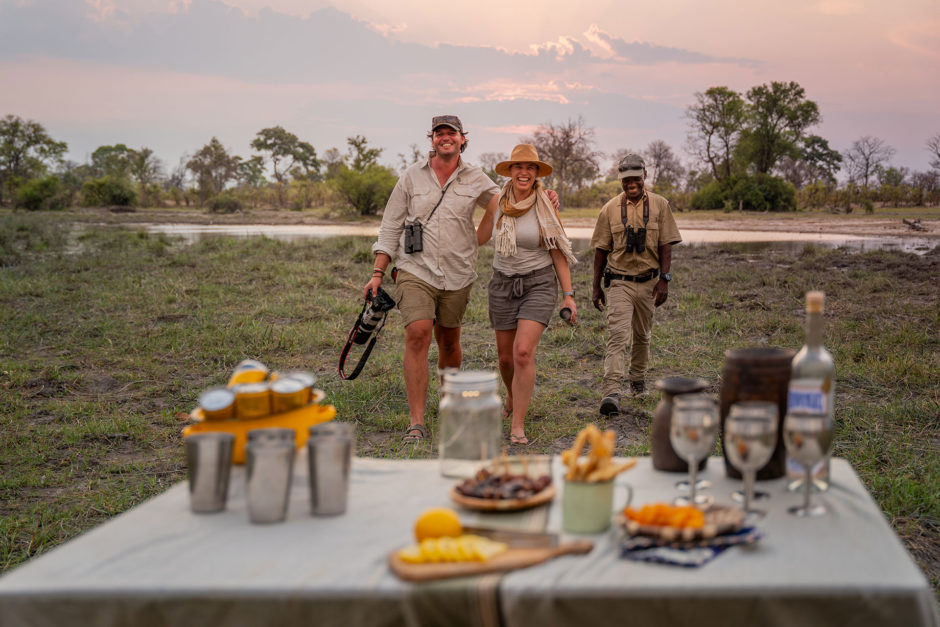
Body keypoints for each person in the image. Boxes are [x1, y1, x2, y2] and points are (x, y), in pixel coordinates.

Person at [363, 116, 557, 443]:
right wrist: (378, 272)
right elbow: (390, 227)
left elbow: (508, 201)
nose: (445, 138)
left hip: (458, 273)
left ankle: (448, 399)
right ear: (433, 140)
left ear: (462, 139)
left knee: (449, 342)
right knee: (417, 333)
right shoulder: (411, 178)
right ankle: (416, 422)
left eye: (451, 133)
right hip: (415, 269)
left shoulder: (476, 178)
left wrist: (543, 197)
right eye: (439, 134)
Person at [484, 144, 578, 445]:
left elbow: (557, 251)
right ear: (510, 172)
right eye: (518, 166)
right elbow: (479, 236)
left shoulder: (546, 204)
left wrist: (568, 295)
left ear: (536, 173)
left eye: (530, 167)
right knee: (505, 358)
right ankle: (510, 395)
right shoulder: (496, 202)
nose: (524, 172)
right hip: (501, 284)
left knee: (523, 353)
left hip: (538, 284)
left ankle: (518, 425)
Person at [591, 153, 681, 415]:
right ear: (620, 180)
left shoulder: (660, 205)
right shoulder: (608, 209)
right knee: (618, 335)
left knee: (642, 335)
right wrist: (596, 286)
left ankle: (638, 381)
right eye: (626, 180)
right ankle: (611, 392)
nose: (631, 184)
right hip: (619, 282)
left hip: (649, 281)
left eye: (636, 179)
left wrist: (664, 279)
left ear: (645, 176)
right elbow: (600, 251)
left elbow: (666, 244)